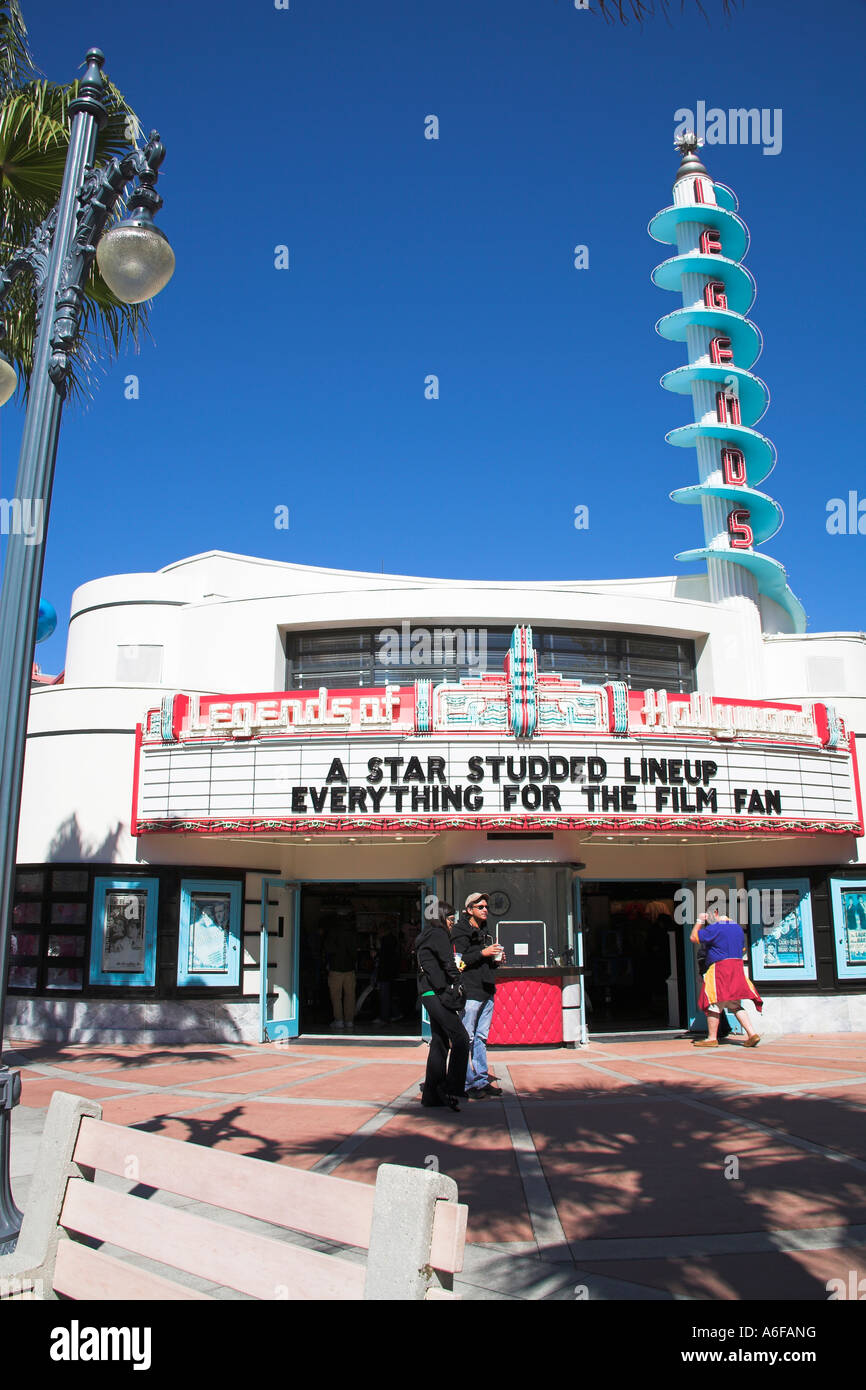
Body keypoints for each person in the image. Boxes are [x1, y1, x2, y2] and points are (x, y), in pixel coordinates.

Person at [416, 901, 470, 1111]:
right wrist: (457, 982)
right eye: (450, 920)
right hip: (437, 992)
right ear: (441, 918)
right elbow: (448, 964)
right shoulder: (439, 935)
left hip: (428, 992)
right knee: (461, 1038)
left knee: (440, 1041)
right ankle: (451, 1087)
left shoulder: (427, 935)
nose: (452, 924)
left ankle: (431, 1094)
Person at [451, 892, 505, 1098]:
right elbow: (460, 960)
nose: (485, 909)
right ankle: (466, 1083)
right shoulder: (460, 930)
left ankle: (481, 1080)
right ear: (469, 909)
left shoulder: (485, 930)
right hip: (471, 989)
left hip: (487, 987)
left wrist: (495, 959)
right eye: (480, 906)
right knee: (468, 1037)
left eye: (486, 907)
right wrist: (483, 953)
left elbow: (484, 959)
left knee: (482, 1037)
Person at [690, 907, 762, 1048]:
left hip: (720, 968)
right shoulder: (737, 928)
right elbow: (742, 949)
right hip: (736, 967)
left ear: (716, 913)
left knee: (714, 1002)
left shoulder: (716, 928)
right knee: (734, 1004)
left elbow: (694, 937)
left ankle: (711, 1038)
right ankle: (752, 1034)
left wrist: (699, 920)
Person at [322, 908, 358, 1031]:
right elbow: (355, 950)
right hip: (350, 968)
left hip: (336, 967)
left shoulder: (332, 931)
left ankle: (339, 1020)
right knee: (350, 995)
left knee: (336, 996)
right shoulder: (352, 931)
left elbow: (328, 948)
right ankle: (349, 1020)